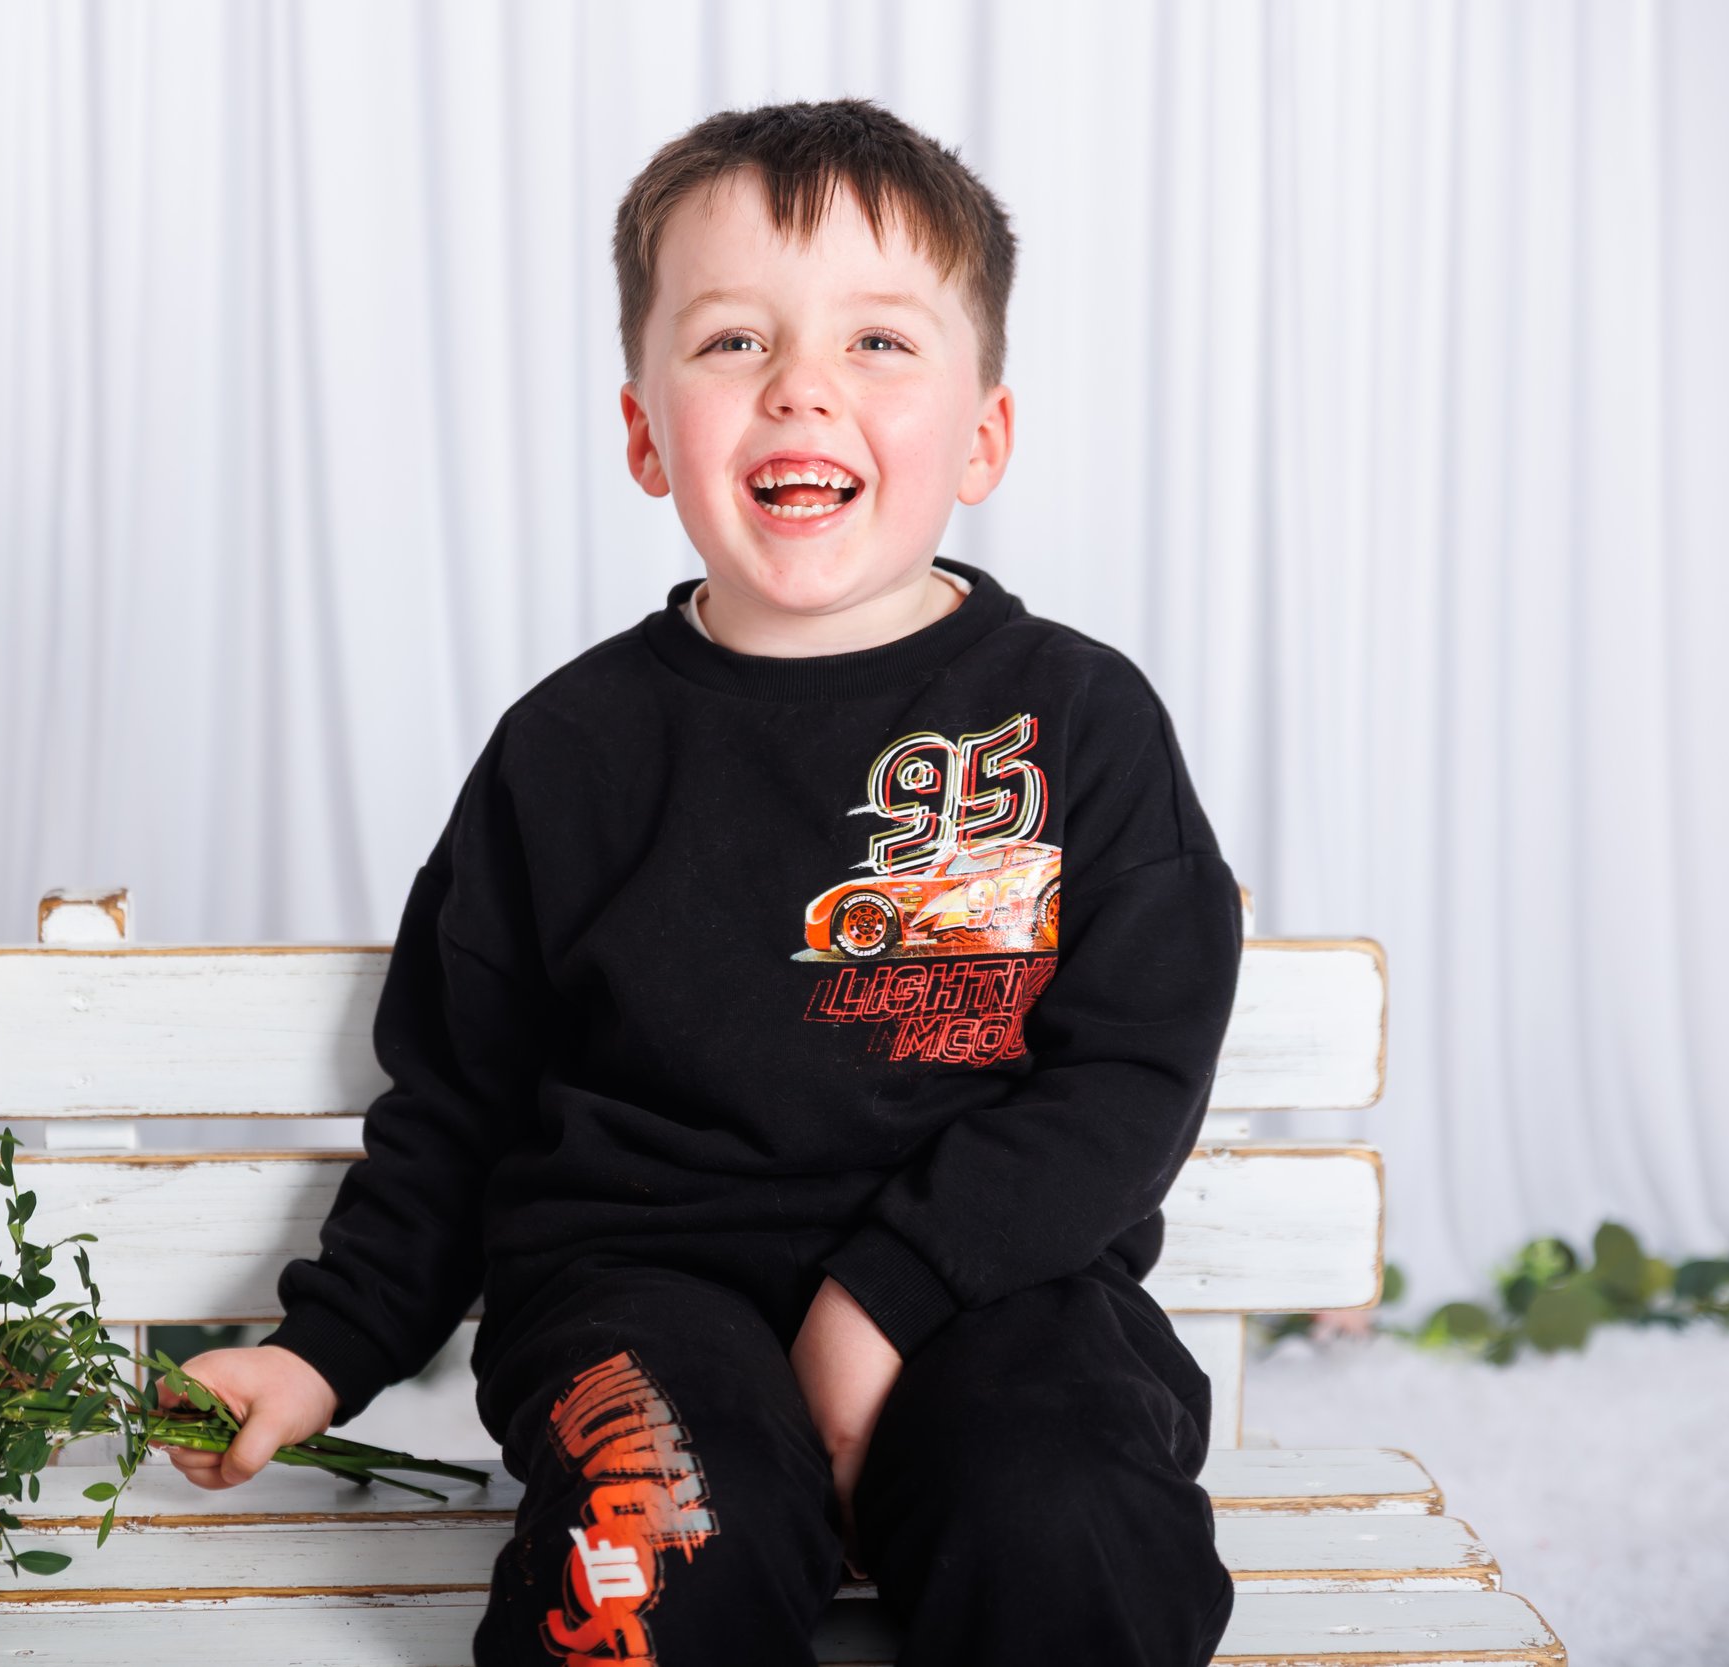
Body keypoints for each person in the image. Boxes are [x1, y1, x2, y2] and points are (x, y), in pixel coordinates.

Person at [155, 96, 1243, 1666]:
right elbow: (457, 1100)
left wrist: (877, 1306)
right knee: (658, 1532)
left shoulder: (1074, 722)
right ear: (646, 430)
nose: (803, 385)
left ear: (985, 434)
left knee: (1064, 1507)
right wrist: (321, 1354)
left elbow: (1127, 1076)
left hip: (996, 1287)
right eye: (735, 341)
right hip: (634, 1285)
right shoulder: (570, 750)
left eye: (881, 343)